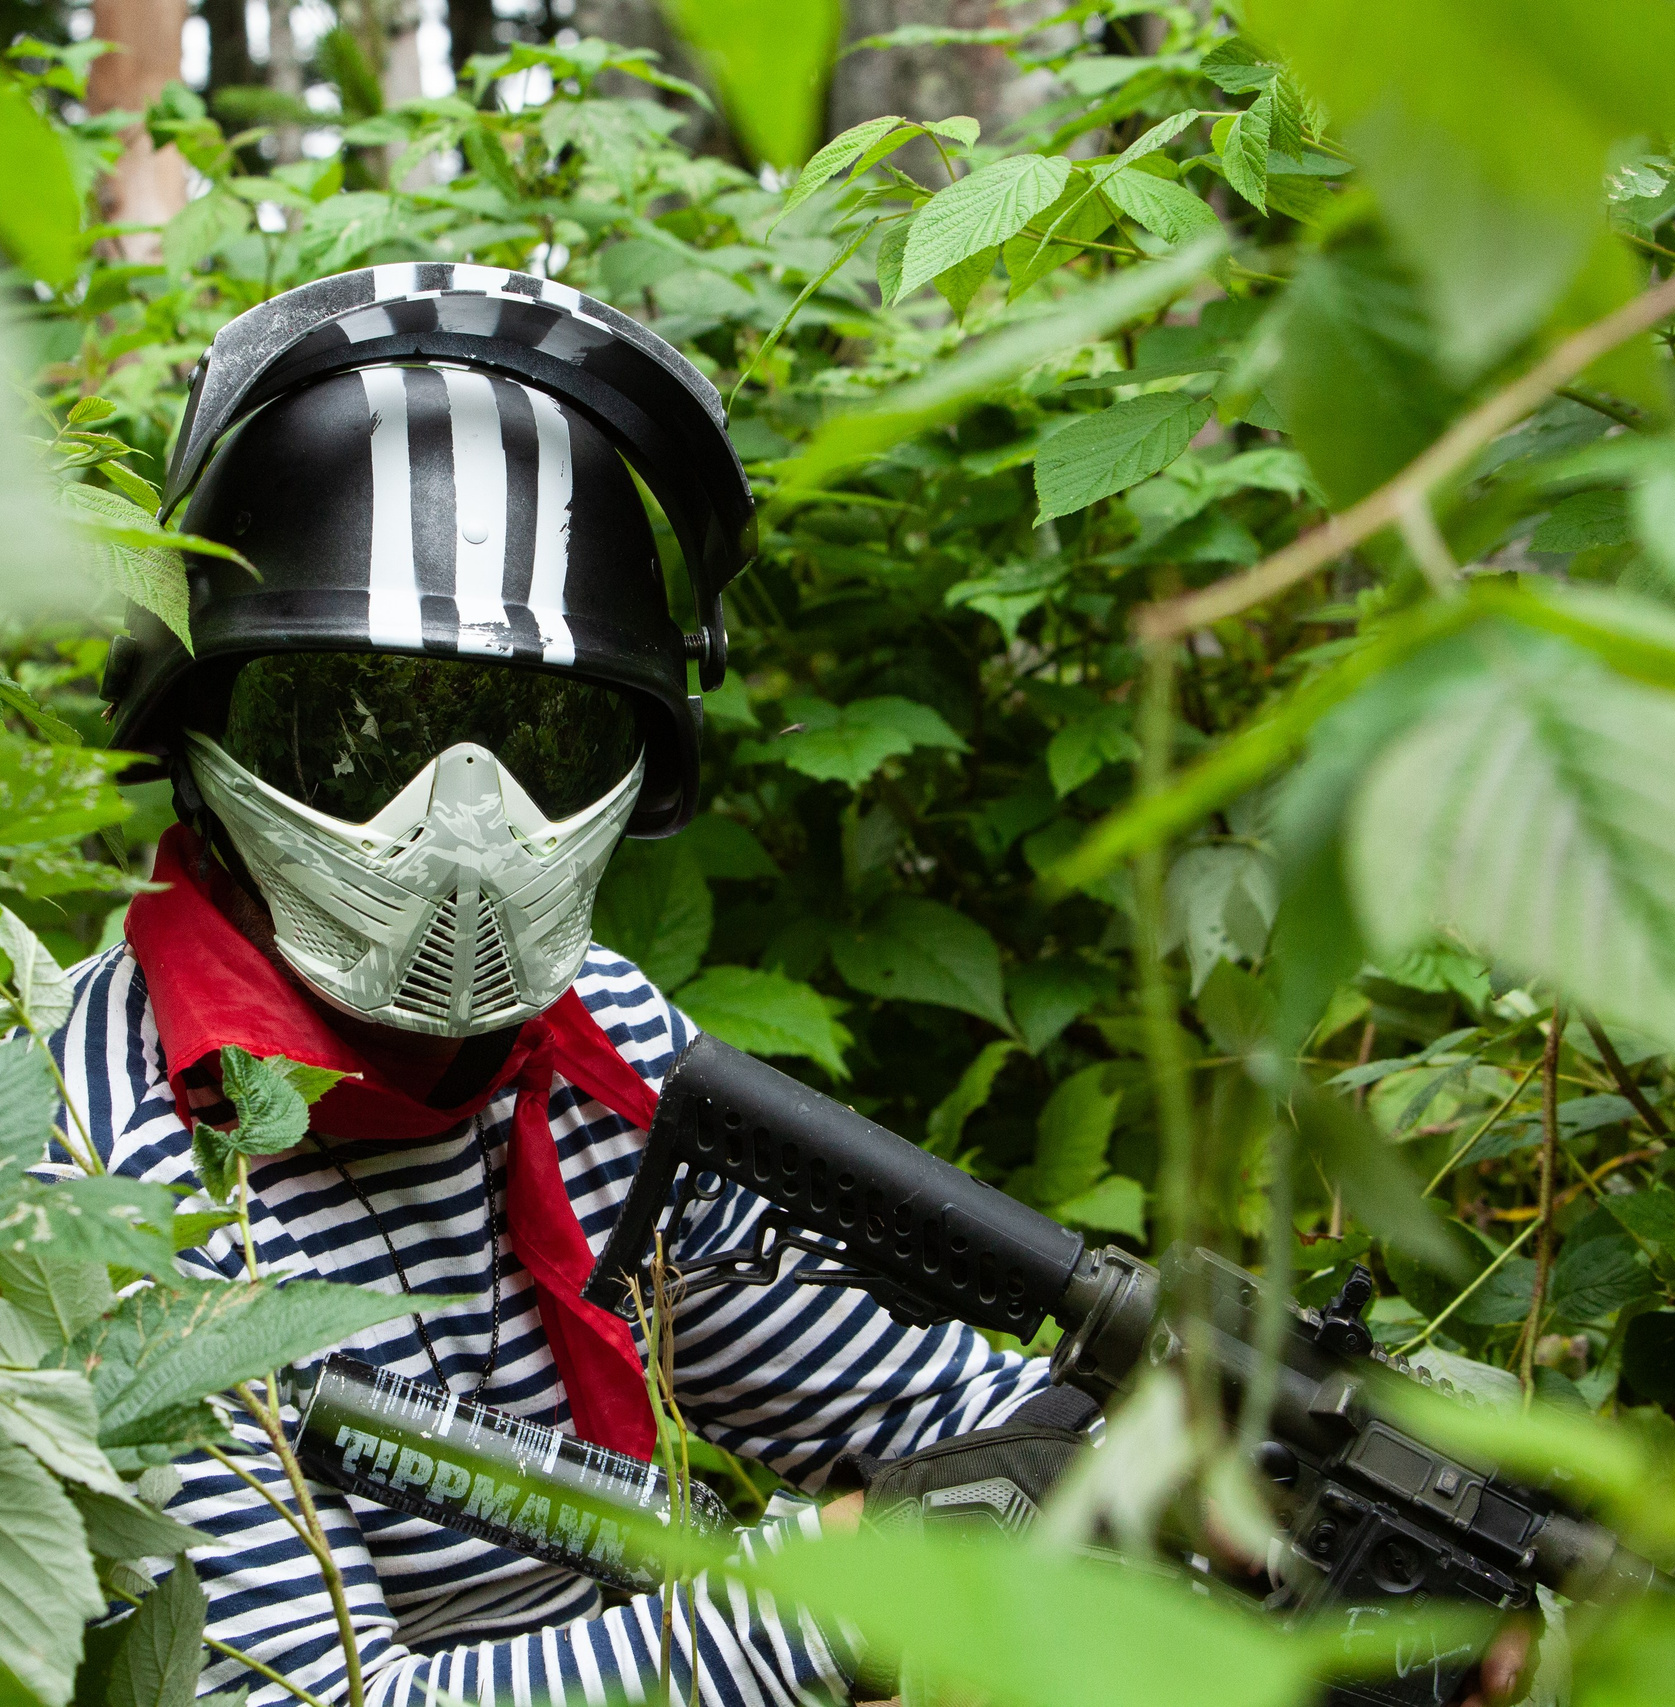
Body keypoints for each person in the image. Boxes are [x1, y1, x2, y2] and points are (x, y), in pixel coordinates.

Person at [61, 265, 1053, 1706]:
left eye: (544, 738)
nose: (462, 827)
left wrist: (1207, 1506)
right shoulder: (108, 1171)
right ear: (193, 725)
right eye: (359, 733)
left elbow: (933, 1404)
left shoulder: (605, 1051)